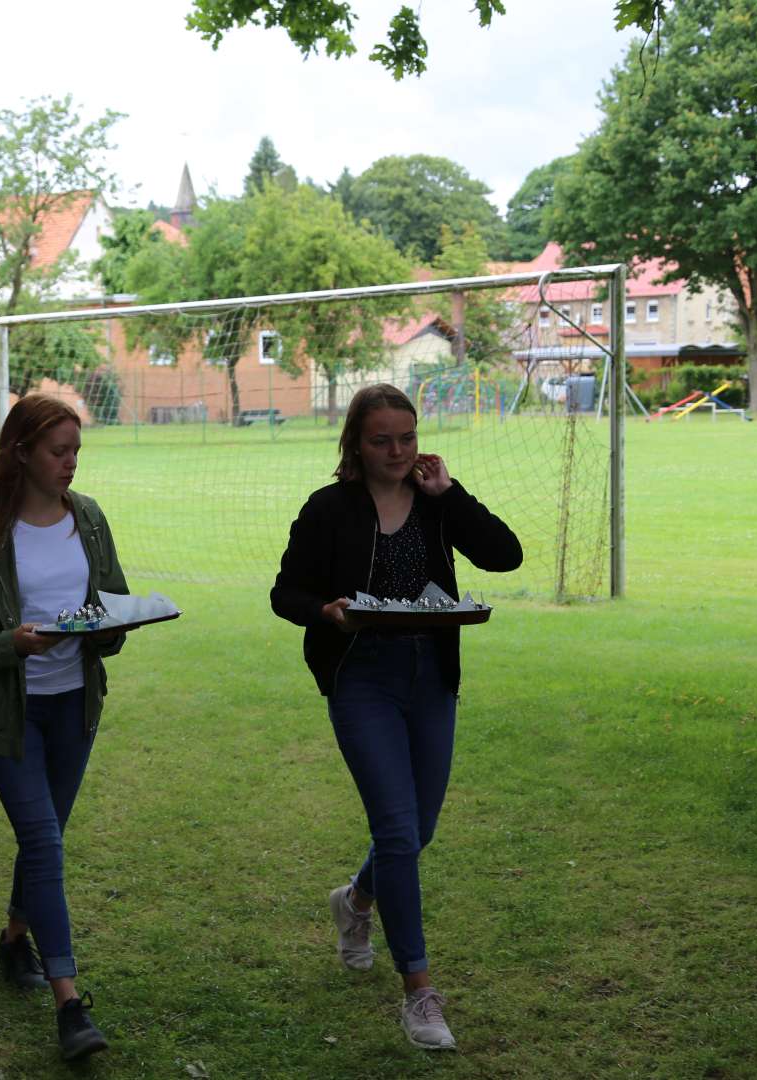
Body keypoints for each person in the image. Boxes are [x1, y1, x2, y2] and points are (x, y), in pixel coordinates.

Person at [270, 383, 522, 1051]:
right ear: (355, 442)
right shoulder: (329, 509)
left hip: (430, 676)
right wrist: (326, 610)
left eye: (406, 438)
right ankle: (419, 993)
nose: (397, 451)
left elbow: (505, 554)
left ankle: (355, 902)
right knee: (398, 831)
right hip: (362, 678)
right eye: (382, 440)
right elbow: (286, 591)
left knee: (421, 826)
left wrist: (452, 494)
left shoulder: (437, 506)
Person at [0, 393, 129, 1062]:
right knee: (44, 843)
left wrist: (112, 629)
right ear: (22, 452)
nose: (71, 463)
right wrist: (9, 645)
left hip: (75, 708)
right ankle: (69, 1004)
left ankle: (14, 938)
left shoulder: (91, 519)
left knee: (43, 839)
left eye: (77, 450)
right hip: (9, 716)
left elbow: (111, 605)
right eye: (59, 452)